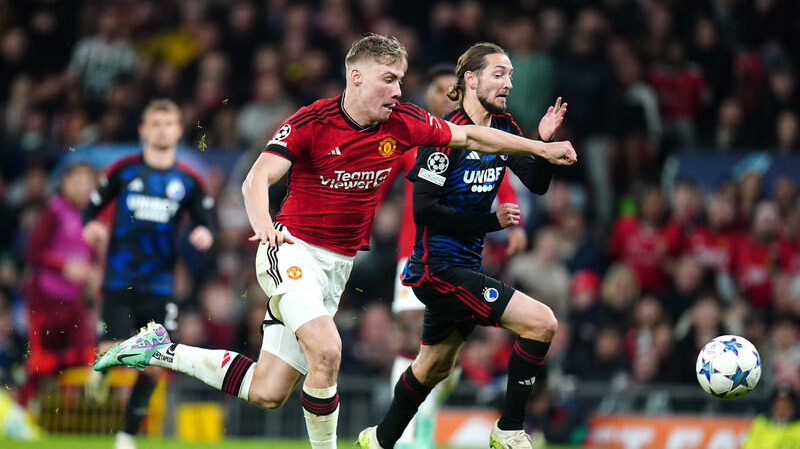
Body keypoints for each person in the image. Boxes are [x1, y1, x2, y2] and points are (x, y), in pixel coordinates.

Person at [93, 34, 575, 449]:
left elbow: (473, 139)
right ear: (356, 77)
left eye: (401, 80)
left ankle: (159, 350)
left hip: (336, 267)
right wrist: (263, 223)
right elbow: (256, 178)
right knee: (327, 351)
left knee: (268, 389)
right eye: (389, 79)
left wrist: (540, 148)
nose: (399, 90)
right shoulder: (312, 122)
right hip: (290, 251)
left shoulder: (404, 122)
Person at [358, 42, 567, 449]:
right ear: (471, 79)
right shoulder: (444, 135)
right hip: (436, 269)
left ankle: (378, 440)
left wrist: (543, 142)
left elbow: (536, 184)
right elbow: (425, 210)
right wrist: (491, 222)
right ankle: (509, 429)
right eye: (499, 74)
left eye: (510, 75)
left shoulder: (505, 127)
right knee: (542, 322)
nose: (508, 83)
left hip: (464, 268)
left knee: (433, 367)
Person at [388, 64, 530, 449]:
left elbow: (500, 173)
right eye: (434, 89)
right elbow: (381, 180)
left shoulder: (477, 134)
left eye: (445, 89)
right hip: (415, 251)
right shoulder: (415, 137)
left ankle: (425, 417)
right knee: (410, 334)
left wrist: (514, 226)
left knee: (443, 356)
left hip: (461, 256)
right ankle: (406, 438)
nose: (440, 96)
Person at [81, 99, 216, 449]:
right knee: (112, 350)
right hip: (119, 281)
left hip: (160, 285)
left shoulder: (188, 180)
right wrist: (91, 225)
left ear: (178, 130)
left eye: (168, 123)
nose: (161, 130)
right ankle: (103, 369)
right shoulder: (123, 170)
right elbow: (90, 208)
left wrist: (205, 232)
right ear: (143, 130)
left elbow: (207, 220)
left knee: (156, 364)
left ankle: (127, 436)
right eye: (155, 123)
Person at [21, 162, 102, 405]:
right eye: (75, 182)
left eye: (86, 183)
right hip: (45, 301)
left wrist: (93, 274)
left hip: (73, 302)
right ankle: (21, 410)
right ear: (65, 184)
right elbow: (34, 251)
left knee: (85, 356)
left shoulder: (91, 218)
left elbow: (89, 257)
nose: (80, 188)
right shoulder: (54, 210)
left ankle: (69, 413)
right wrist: (64, 266)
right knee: (41, 362)